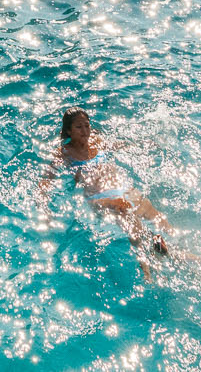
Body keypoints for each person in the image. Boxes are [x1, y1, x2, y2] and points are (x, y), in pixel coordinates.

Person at [41, 108, 169, 278]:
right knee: (134, 228)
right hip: (101, 199)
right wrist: (44, 207)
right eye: (79, 127)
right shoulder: (63, 154)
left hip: (123, 190)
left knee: (161, 221)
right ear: (68, 131)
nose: (85, 131)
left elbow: (120, 145)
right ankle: (148, 273)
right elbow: (46, 180)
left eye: (87, 125)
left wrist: (144, 144)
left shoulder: (97, 141)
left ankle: (169, 251)